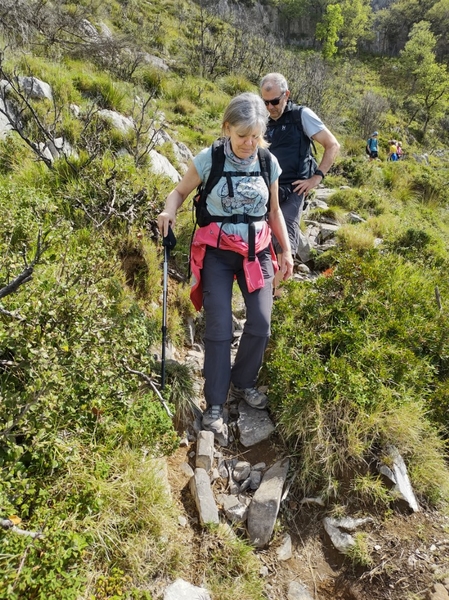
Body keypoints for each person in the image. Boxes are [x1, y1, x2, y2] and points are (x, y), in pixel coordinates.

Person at [157, 92, 293, 441]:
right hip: (216, 253)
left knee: (261, 324)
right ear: (227, 128)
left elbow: (275, 212)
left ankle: (243, 382)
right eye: (242, 135)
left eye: (256, 136)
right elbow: (178, 193)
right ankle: (215, 401)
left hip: (257, 249)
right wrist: (168, 211)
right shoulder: (209, 159)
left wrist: (288, 252)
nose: (249, 143)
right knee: (218, 327)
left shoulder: (267, 162)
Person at [260, 73, 340, 295]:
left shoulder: (301, 115)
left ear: (287, 95)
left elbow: (332, 145)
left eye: (275, 101)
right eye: (265, 102)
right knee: (258, 239)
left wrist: (316, 178)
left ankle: (276, 299)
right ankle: (263, 291)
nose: (270, 107)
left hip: (294, 187)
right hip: (265, 187)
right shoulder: (261, 120)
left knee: (283, 239)